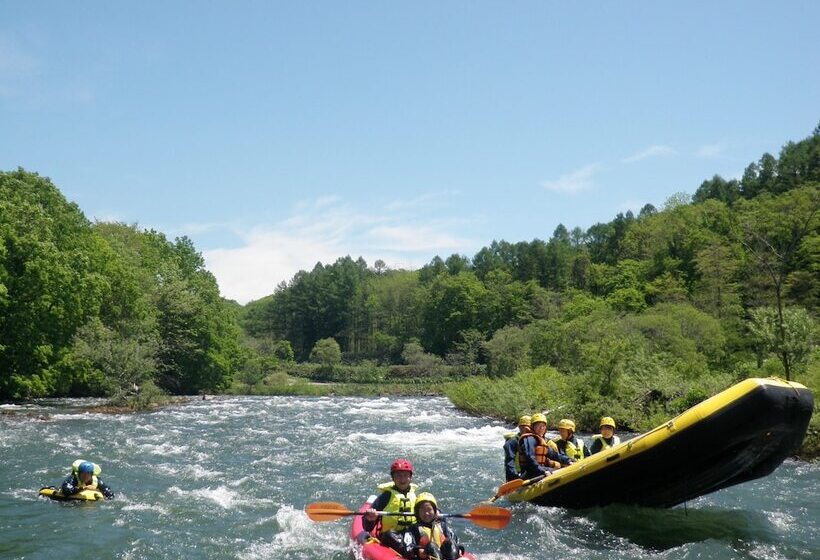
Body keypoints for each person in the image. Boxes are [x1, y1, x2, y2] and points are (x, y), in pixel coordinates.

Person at [360, 458, 418, 550]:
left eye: (405, 475)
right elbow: (367, 527)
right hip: (392, 536)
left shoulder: (415, 496)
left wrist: (435, 514)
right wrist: (370, 519)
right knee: (389, 534)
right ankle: (411, 551)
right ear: (393, 478)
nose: (402, 479)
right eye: (398, 476)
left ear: (410, 478)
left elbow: (428, 512)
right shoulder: (386, 496)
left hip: (411, 534)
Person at [399, 492, 464, 560]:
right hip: (426, 557)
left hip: (445, 556)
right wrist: (417, 551)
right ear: (417, 513)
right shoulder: (413, 529)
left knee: (450, 541)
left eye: (429, 509)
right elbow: (408, 547)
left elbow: (454, 540)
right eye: (422, 510)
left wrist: (459, 549)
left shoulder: (442, 526)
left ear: (435, 511)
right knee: (431, 546)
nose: (426, 513)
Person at [517, 413, 571, 479]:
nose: (541, 428)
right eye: (538, 426)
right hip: (530, 472)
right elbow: (530, 458)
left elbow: (554, 455)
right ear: (532, 426)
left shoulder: (540, 440)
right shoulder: (529, 439)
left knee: (564, 470)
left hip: (539, 469)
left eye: (543, 426)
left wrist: (568, 460)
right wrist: (543, 471)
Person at [503, 415, 531, 481]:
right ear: (519, 427)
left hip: (527, 472)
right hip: (517, 474)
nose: (526, 429)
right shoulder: (512, 441)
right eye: (523, 427)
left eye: (529, 427)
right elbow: (509, 461)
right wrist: (515, 476)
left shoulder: (530, 440)